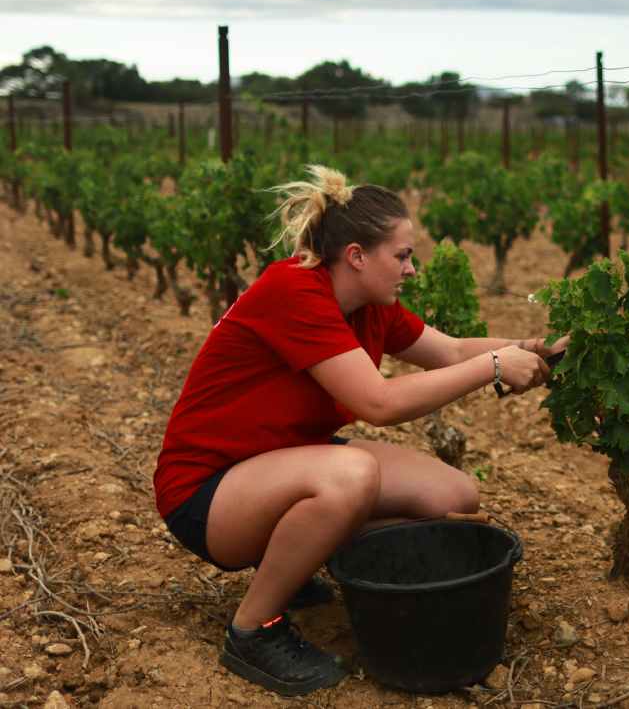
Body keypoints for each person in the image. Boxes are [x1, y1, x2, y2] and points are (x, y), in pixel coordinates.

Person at [154, 166, 560, 697]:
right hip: (207, 493)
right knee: (351, 476)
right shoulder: (294, 290)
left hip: (282, 464)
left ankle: (298, 561)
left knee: (453, 493)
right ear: (356, 256)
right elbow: (378, 403)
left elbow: (453, 350)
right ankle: (253, 630)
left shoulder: (371, 307)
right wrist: (496, 369)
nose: (412, 269)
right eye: (403, 255)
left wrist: (536, 350)